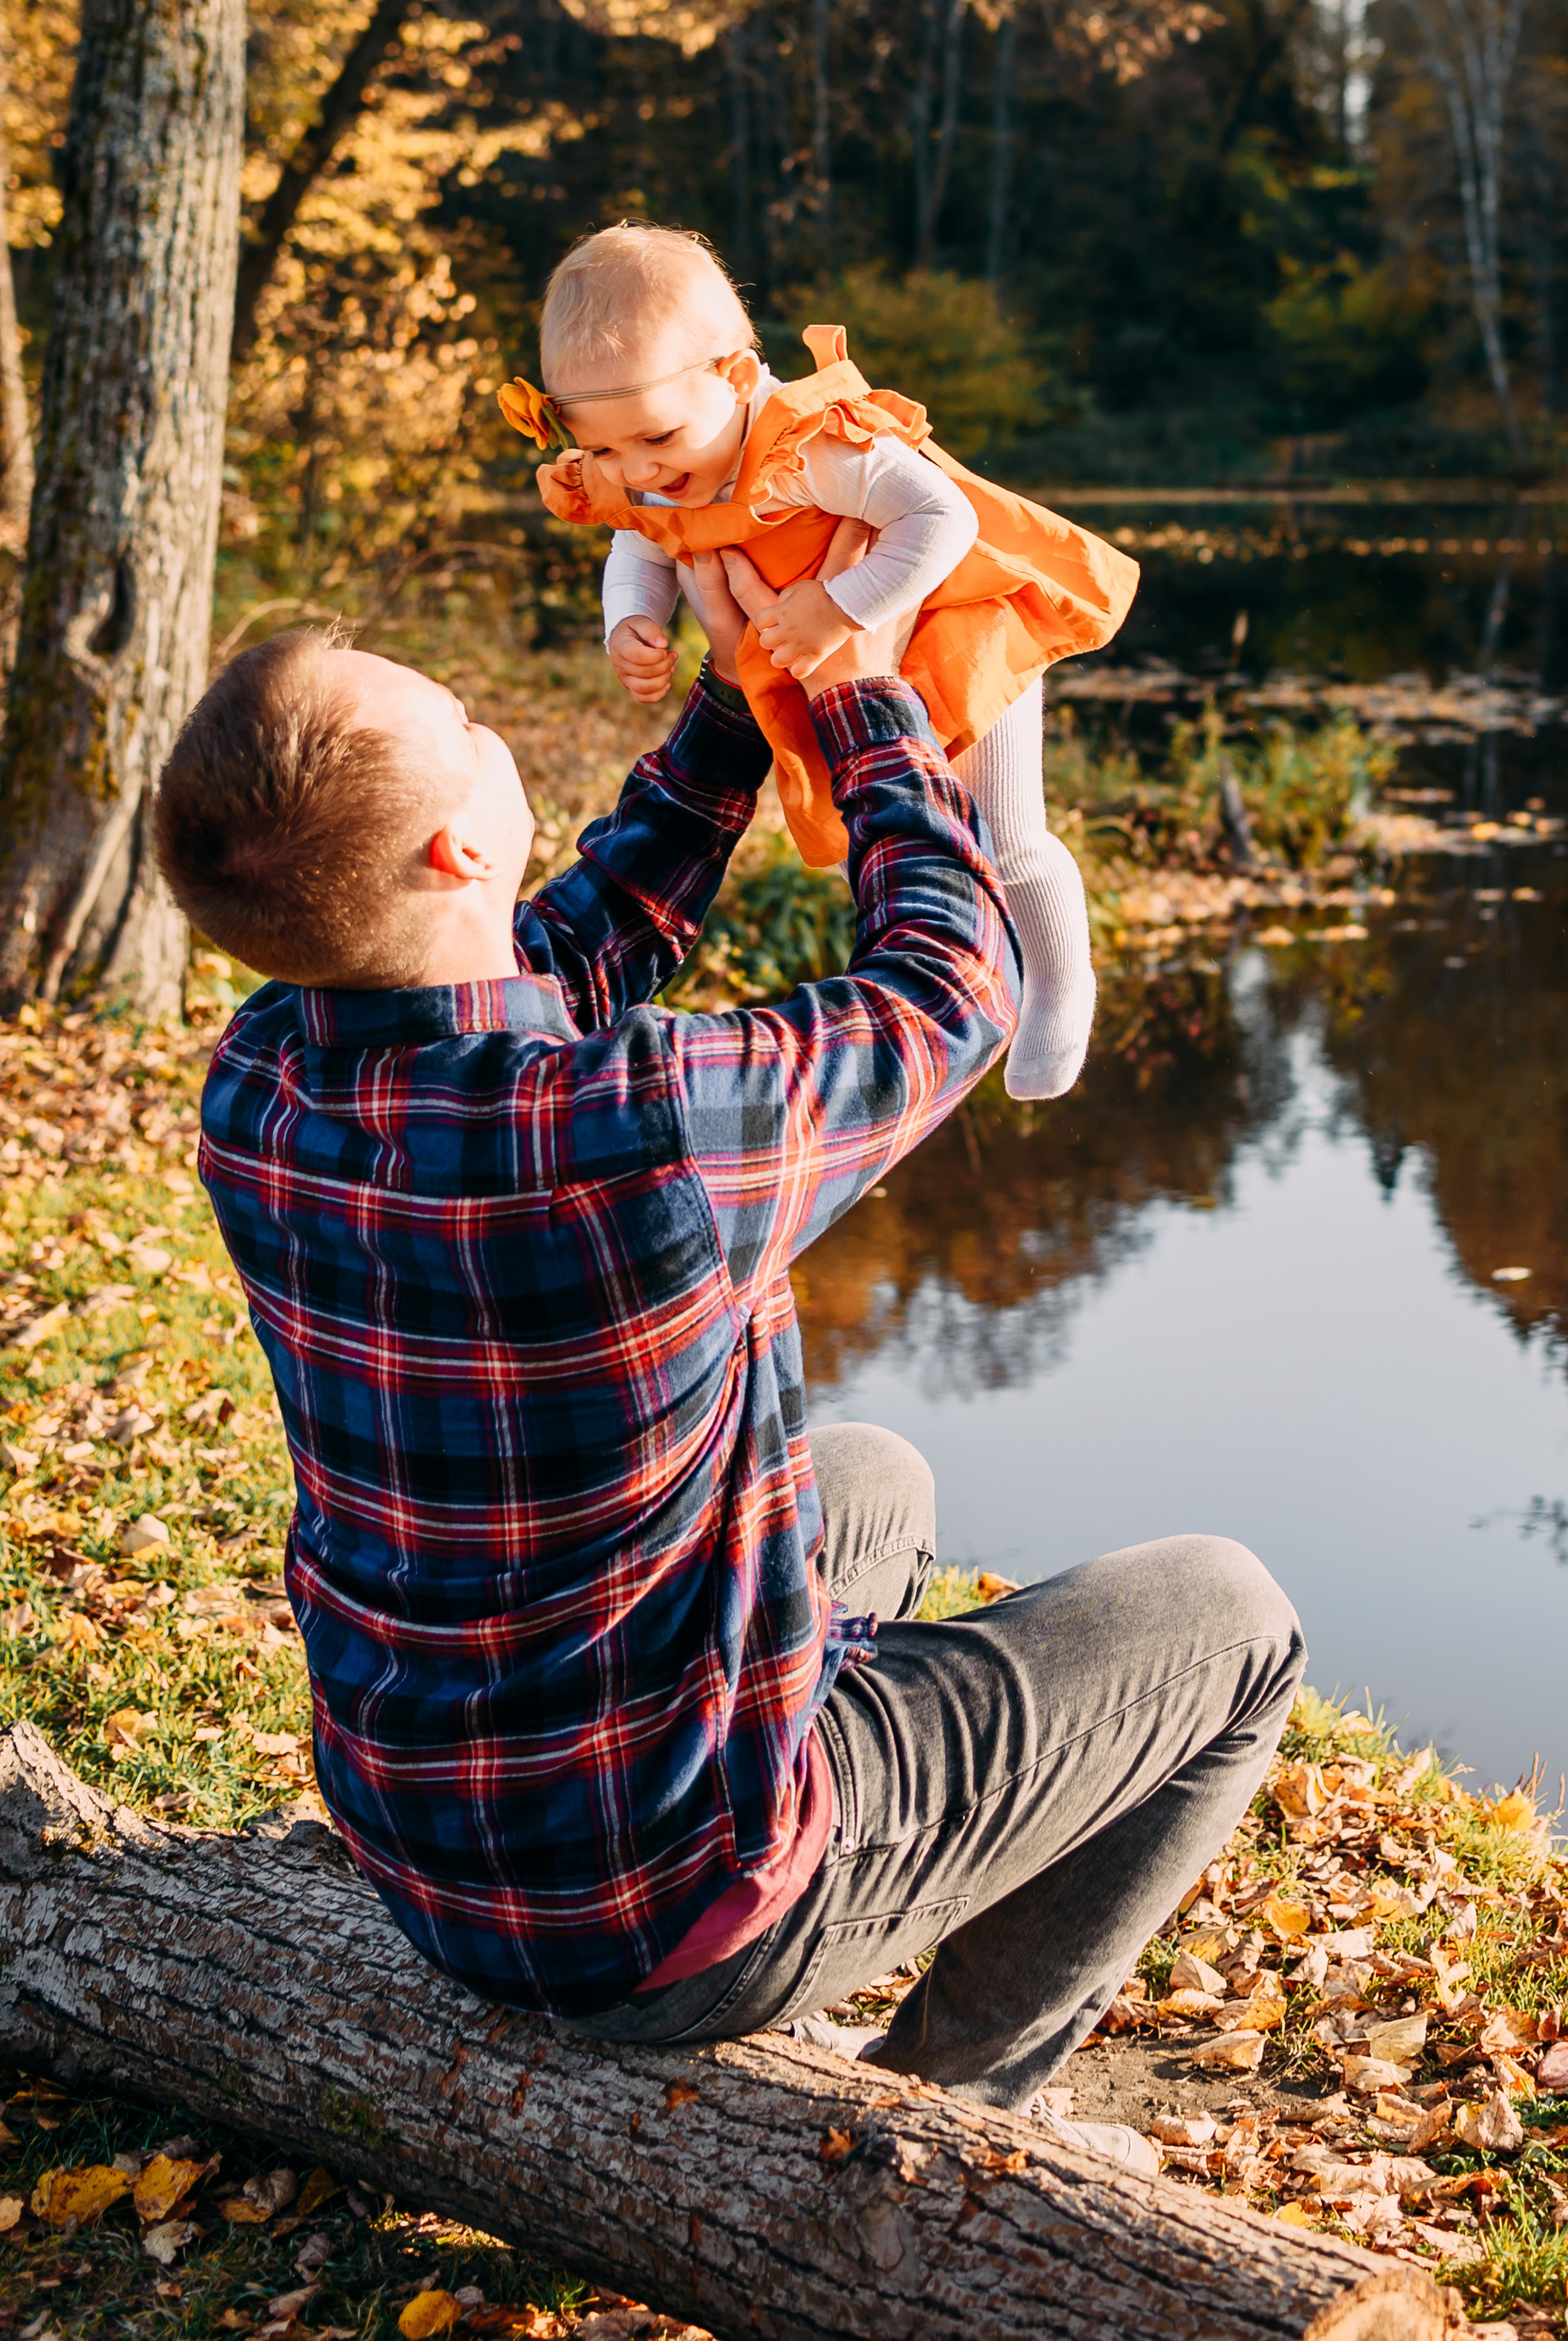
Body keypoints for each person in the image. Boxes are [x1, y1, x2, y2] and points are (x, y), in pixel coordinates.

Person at [151, 561, 1303, 2141]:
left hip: (431, 1840)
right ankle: (942, 2115)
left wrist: (738, 703)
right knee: (1233, 1619)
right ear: (460, 843)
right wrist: (864, 704)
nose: (486, 720)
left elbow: (574, 938)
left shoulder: (264, 1081)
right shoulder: (640, 1134)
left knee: (875, 1479)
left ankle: (832, 1906)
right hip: (666, 1901)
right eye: (467, 719)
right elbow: (952, 992)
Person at [498, 223, 1138, 1102]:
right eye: (604, 451)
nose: (636, 469)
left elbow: (941, 519)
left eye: (655, 439)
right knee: (877, 848)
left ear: (729, 377)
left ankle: (1064, 986)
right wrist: (632, 620)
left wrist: (841, 604)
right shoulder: (649, 460)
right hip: (829, 667)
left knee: (1008, 835)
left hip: (947, 628)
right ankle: (968, 995)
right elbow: (637, 544)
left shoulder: (810, 447)